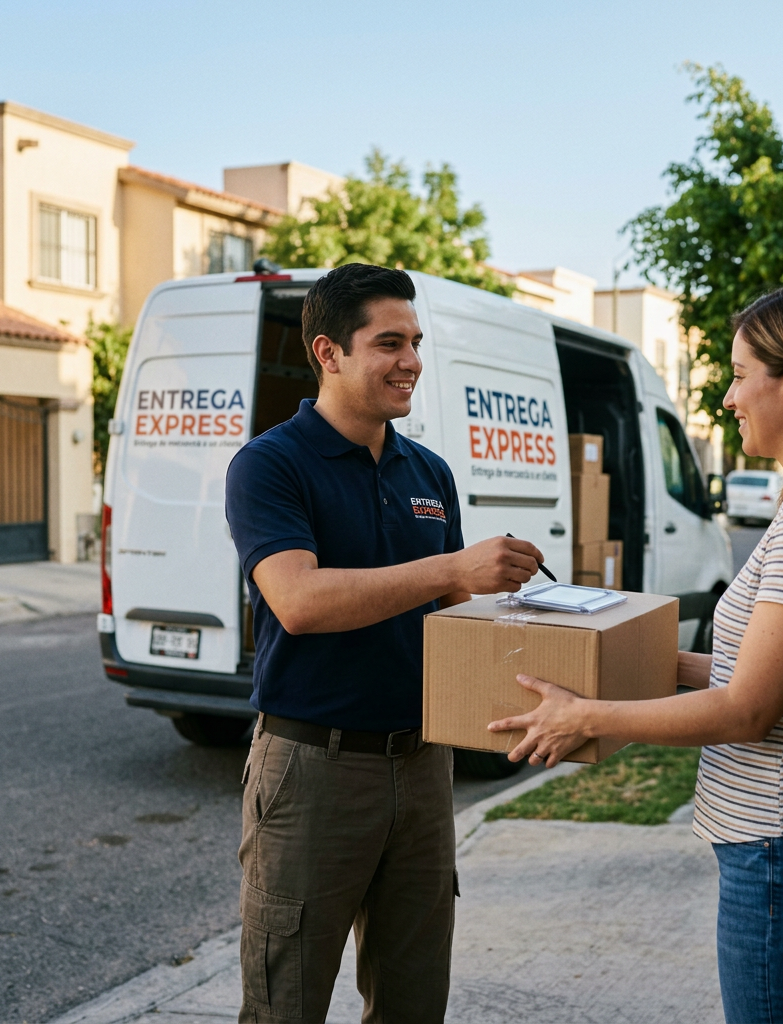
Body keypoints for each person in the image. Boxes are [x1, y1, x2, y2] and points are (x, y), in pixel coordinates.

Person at [488, 283, 783, 1024]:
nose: (726, 398)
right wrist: (602, 665)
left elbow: (747, 709)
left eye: (737, 373)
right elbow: (759, 675)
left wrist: (586, 715)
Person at [225, 263, 544, 1024]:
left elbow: (460, 609)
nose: (412, 360)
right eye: (389, 342)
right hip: (311, 772)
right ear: (329, 353)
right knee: (285, 1006)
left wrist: (553, 622)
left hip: (423, 766)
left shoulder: (427, 470)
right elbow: (298, 601)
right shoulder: (269, 465)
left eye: (417, 341)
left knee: (413, 1001)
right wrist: (449, 567)